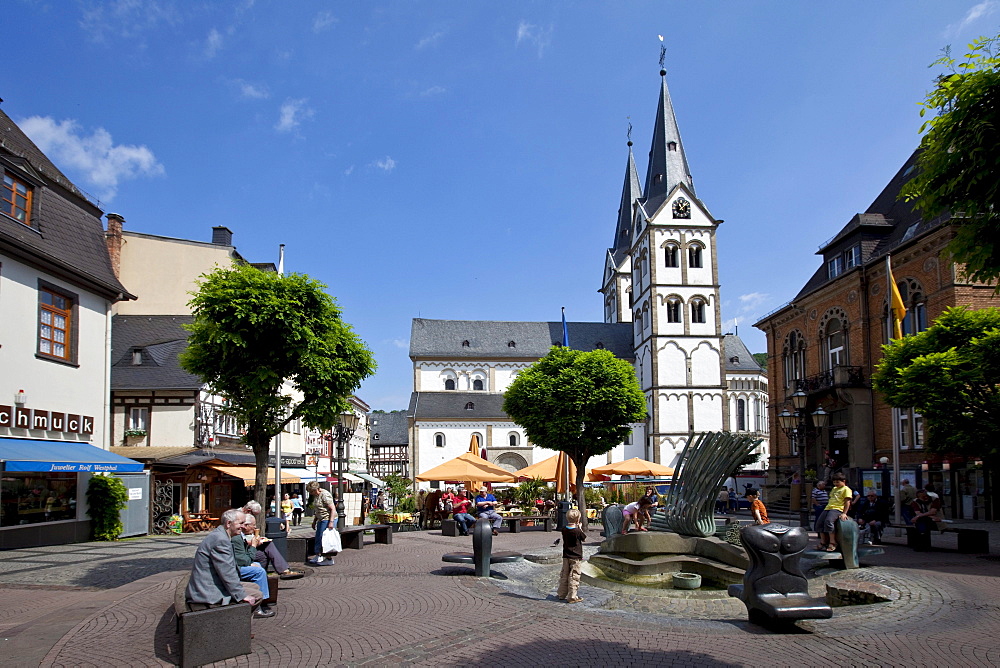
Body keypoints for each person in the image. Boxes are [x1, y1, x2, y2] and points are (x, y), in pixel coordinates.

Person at [185, 508, 269, 618]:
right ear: (229, 523)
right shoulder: (221, 540)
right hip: (207, 592)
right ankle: (233, 628)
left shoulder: (221, 535)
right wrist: (242, 595)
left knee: (254, 586)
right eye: (241, 523)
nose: (243, 527)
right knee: (257, 595)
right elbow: (227, 572)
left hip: (210, 584)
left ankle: (240, 626)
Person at [229, 514, 276, 617]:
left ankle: (262, 600)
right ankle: (259, 605)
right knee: (259, 571)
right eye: (253, 525)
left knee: (259, 564)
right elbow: (244, 560)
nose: (255, 527)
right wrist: (253, 546)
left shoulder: (240, 536)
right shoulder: (236, 538)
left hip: (235, 565)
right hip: (234, 568)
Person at [241, 515, 304, 579]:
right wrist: (254, 543)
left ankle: (264, 576)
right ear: (246, 525)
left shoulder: (247, 532)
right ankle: (282, 571)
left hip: (249, 550)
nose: (255, 527)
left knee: (266, 549)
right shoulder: (238, 532)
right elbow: (243, 544)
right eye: (253, 525)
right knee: (266, 550)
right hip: (244, 553)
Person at [557, 508, 587, 604]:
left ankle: (561, 594)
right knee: (574, 576)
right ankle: (572, 597)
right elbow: (584, 538)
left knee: (564, 575)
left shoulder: (564, 529)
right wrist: (580, 527)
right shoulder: (577, 531)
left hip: (566, 555)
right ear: (578, 520)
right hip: (576, 557)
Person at [817, 473, 853, 552]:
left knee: (829, 521)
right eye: (834, 482)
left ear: (843, 481)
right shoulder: (834, 489)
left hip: (837, 508)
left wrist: (844, 513)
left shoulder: (846, 489)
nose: (836, 484)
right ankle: (823, 541)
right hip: (828, 507)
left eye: (837, 482)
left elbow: (847, 502)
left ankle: (832, 542)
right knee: (819, 523)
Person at [307, 481, 337, 566]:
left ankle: (328, 558)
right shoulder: (316, 496)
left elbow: (332, 509)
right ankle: (318, 555)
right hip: (321, 519)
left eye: (311, 491)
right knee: (318, 537)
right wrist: (314, 521)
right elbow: (318, 510)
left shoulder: (325, 495)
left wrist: (331, 522)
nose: (311, 493)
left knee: (324, 539)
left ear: (316, 489)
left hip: (327, 518)